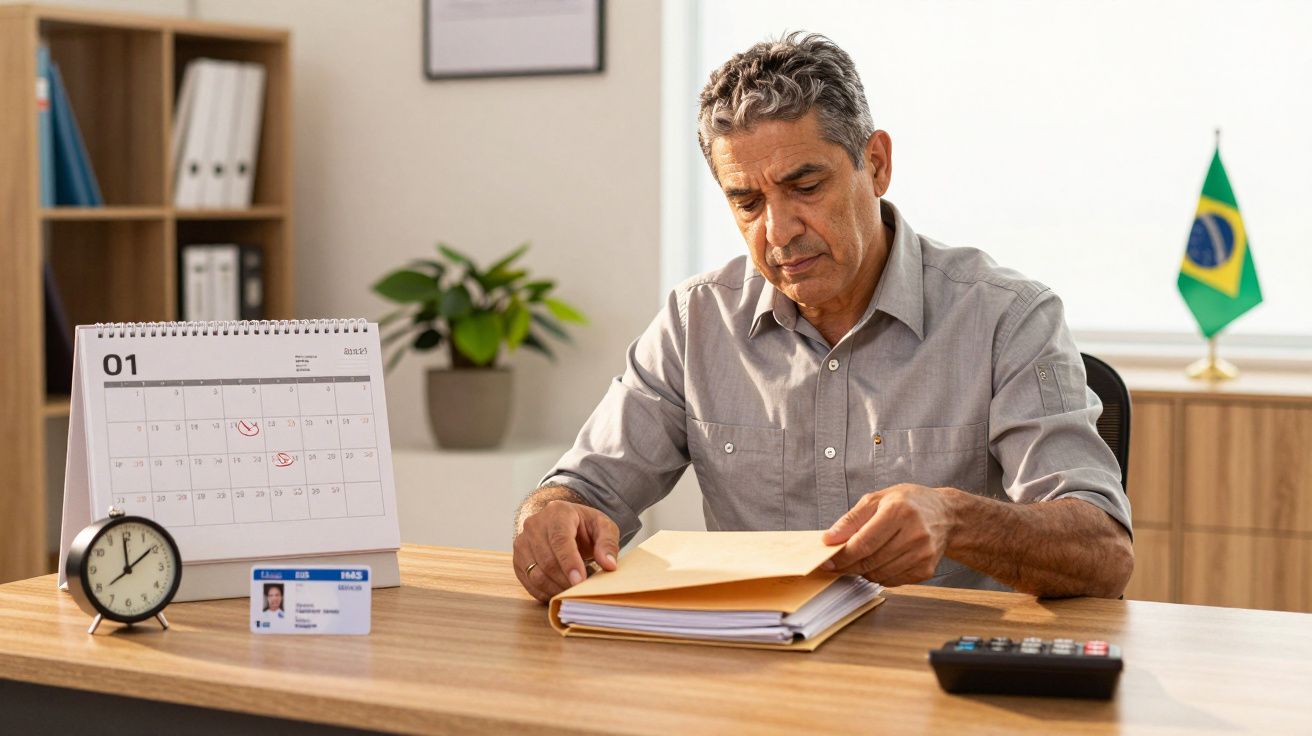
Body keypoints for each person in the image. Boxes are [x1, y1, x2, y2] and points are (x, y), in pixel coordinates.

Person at [513, 32, 1133, 604]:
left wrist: (954, 520)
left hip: (937, 687)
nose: (778, 231)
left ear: (878, 164)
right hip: (758, 675)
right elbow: (580, 491)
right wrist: (551, 516)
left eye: (805, 186)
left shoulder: (1008, 318)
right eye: (748, 202)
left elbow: (1103, 554)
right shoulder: (695, 321)